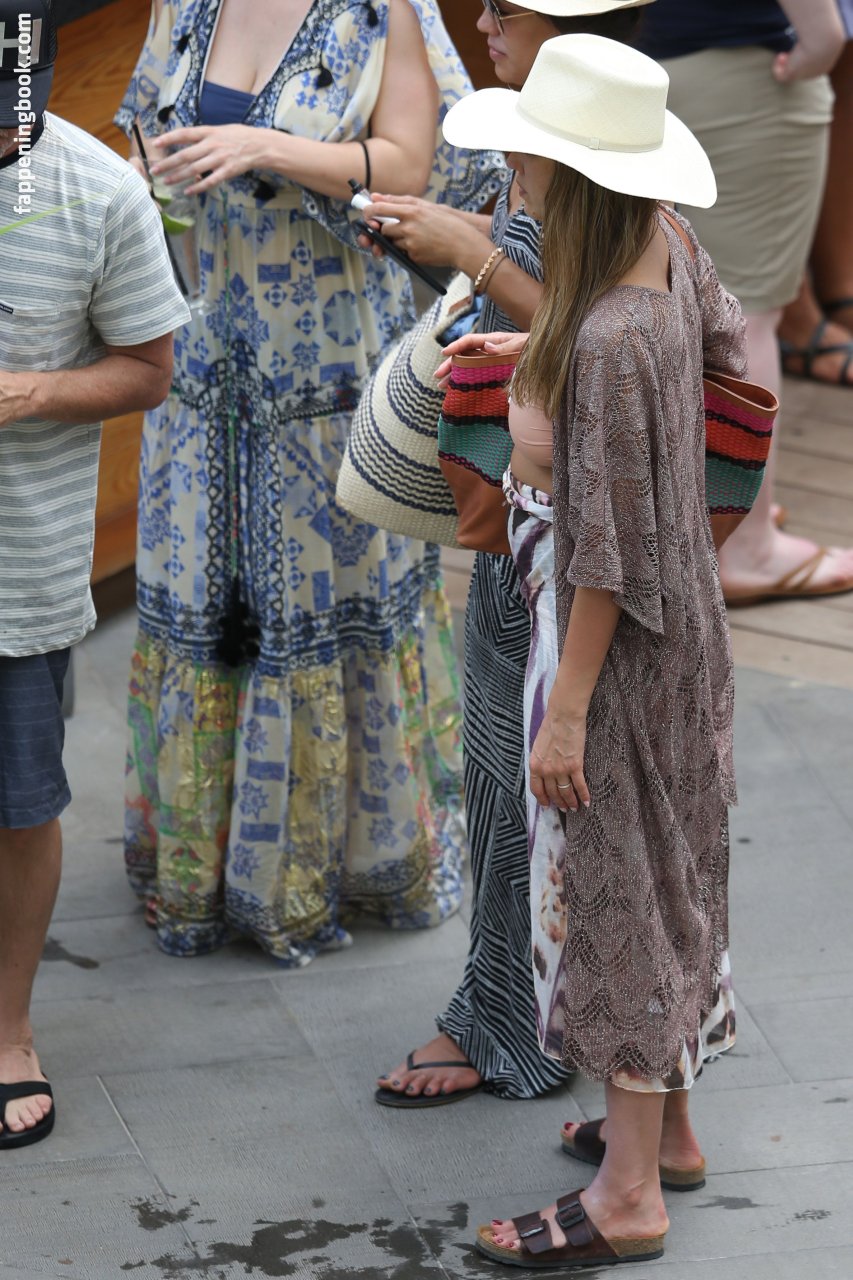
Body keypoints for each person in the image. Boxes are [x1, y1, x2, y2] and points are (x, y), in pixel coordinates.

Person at [439, 33, 744, 1267]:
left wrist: (564, 711)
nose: (513, 172)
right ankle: (665, 1131)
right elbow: (720, 354)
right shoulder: (665, 245)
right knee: (680, 877)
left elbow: (602, 560)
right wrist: (548, 359)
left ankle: (627, 1194)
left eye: (527, 157)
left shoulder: (611, 338)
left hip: (617, 652)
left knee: (615, 895)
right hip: (692, 623)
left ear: (568, 175)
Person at [116, 0, 501, 964]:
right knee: (205, 598)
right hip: (201, 360)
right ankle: (205, 867)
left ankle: (333, 865)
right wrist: (146, 179)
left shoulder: (380, 12)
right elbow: (142, 130)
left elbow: (407, 163)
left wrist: (264, 146)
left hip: (328, 361)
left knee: (329, 599)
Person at [370, 0, 653, 1108]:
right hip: (542, 520)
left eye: (508, 7)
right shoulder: (576, 135)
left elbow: (610, 338)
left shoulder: (600, 161)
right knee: (512, 779)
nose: (483, 20)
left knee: (523, 778)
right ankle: (557, 1021)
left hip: (562, 533)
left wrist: (473, 256)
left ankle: (521, 1024)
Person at [0, 0, 189, 1149]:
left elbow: (147, 369)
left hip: (15, 573)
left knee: (19, 806)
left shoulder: (99, 191)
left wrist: (26, 391)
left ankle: (8, 1030)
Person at [639, 0, 853, 604]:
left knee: (664, 298)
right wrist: (821, 40)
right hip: (742, 70)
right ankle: (745, 547)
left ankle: (703, 512)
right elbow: (824, 36)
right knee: (747, 316)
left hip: (644, 63)